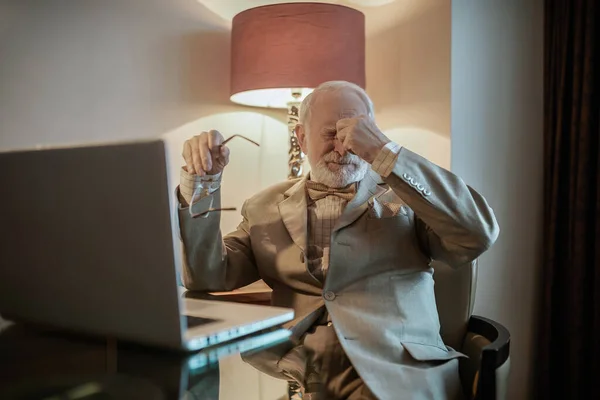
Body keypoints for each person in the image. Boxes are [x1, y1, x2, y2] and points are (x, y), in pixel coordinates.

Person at [175, 81, 499, 400]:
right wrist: (201, 185)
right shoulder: (263, 206)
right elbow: (207, 276)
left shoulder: (408, 199)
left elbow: (477, 233)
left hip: (398, 373)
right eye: (331, 134)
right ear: (301, 138)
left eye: (355, 134)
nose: (343, 148)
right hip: (298, 371)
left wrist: (385, 153)